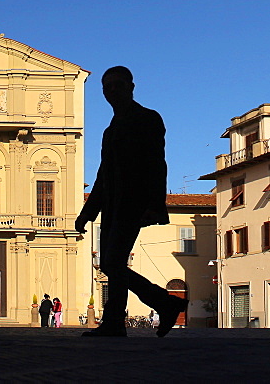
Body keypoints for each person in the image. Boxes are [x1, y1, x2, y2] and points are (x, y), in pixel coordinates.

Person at [76, 66, 187, 338]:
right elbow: (103, 174)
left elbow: (157, 164)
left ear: (131, 87)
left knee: (112, 264)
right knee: (112, 265)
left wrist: (154, 205)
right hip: (112, 206)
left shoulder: (148, 119)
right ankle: (118, 321)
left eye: (117, 85)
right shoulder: (109, 130)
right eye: (106, 87)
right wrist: (88, 212)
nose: (111, 90)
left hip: (134, 203)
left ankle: (163, 303)